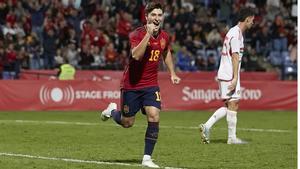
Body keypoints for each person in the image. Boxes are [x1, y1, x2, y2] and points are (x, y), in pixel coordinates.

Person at [100, 2, 181, 168]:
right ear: (147, 17)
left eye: (159, 15)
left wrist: (172, 73)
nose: (157, 18)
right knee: (127, 123)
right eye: (153, 15)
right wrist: (148, 35)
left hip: (151, 85)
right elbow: (136, 55)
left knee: (154, 115)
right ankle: (112, 111)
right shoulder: (136, 34)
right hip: (132, 85)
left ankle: (147, 158)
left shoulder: (165, 36)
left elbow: (166, 53)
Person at [199, 8, 255, 144]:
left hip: (226, 72)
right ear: (247, 19)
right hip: (229, 74)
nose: (253, 23)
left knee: (231, 105)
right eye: (252, 20)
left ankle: (207, 126)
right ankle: (231, 138)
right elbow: (235, 57)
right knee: (234, 104)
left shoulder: (234, 32)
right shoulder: (236, 34)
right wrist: (235, 78)